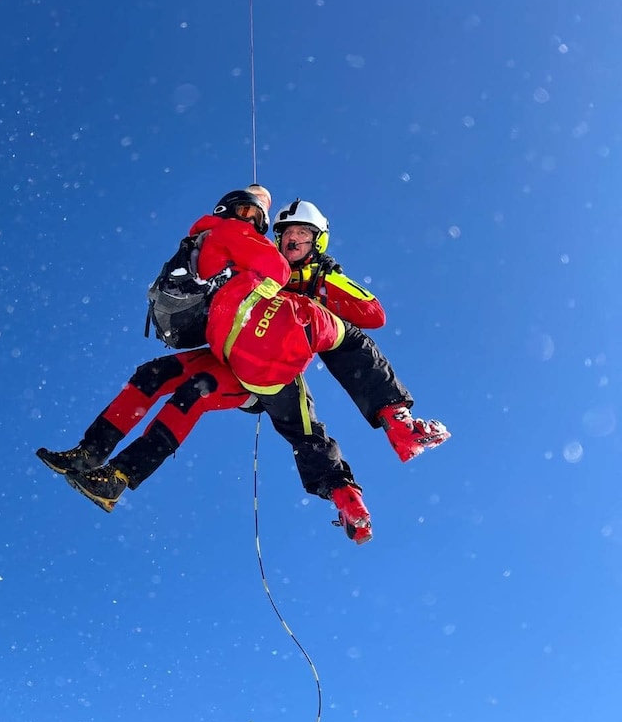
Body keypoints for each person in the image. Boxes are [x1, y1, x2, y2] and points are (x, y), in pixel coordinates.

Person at [37, 189, 372, 543]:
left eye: (258, 219)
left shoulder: (298, 270)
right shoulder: (230, 247)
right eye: (247, 214)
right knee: (152, 374)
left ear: (317, 240)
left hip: (267, 370)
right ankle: (89, 452)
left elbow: (369, 314)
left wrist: (319, 288)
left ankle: (119, 476)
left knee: (201, 394)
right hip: (229, 352)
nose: (252, 223)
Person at [270, 199, 450, 461]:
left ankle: (397, 427)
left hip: (285, 356)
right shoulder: (267, 269)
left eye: (302, 232)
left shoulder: (324, 277)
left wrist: (321, 300)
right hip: (254, 343)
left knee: (345, 338)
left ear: (316, 241)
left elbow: (375, 314)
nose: (293, 239)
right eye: (287, 233)